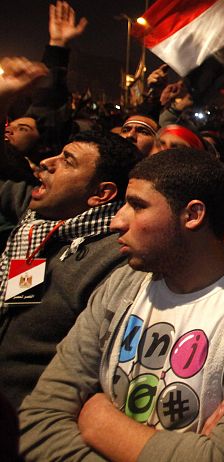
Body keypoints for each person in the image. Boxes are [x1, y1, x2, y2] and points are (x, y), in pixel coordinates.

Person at [19, 148, 224, 461]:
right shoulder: (122, 284)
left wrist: (100, 422)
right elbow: (38, 420)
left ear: (193, 215)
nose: (117, 221)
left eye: (137, 205)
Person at [0, 57, 142, 408]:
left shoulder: (115, 258)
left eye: (68, 161)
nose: (46, 163)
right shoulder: (36, 216)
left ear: (101, 194)